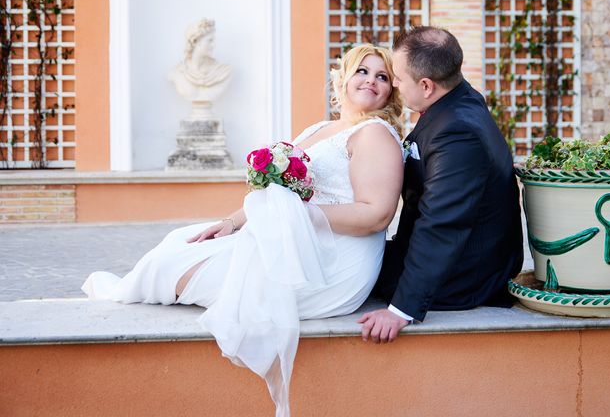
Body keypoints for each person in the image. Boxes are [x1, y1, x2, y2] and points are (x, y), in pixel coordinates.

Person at [82, 44, 405, 417]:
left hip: (335, 260)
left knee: (180, 273)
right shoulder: (320, 128)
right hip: (300, 238)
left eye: (382, 76)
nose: (371, 81)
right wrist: (232, 222)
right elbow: (277, 194)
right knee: (178, 245)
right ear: (343, 77)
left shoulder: (375, 135)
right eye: (362, 71)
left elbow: (376, 215)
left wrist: (300, 215)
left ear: (391, 91)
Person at [360, 26, 524, 343]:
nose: (393, 83)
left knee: (346, 270)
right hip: (454, 255)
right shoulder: (459, 100)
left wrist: (401, 309)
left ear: (426, 85)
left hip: (464, 276)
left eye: (398, 77)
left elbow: (443, 221)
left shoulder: (458, 133)